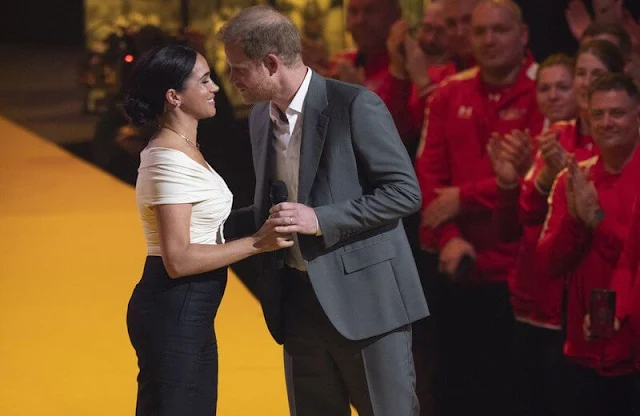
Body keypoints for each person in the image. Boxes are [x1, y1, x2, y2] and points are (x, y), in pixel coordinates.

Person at [218, 6, 429, 416]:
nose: (232, 79)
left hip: (368, 304)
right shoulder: (260, 117)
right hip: (297, 304)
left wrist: (321, 219)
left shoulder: (355, 105)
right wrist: (206, 224)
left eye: (238, 68)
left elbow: (405, 193)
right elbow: (270, 209)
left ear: (271, 63)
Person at [124, 45, 293, 416]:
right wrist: (257, 242)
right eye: (203, 80)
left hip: (190, 309)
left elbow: (208, 226)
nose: (215, 87)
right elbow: (179, 259)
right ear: (174, 97)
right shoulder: (166, 158)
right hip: (173, 306)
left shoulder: (185, 148)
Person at [414, 1, 544, 414]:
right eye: (481, 31)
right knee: (454, 393)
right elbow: (428, 176)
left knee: (518, 395)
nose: (490, 40)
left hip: (525, 278)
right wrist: (449, 237)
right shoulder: (450, 94)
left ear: (523, 35)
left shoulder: (549, 90)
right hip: (460, 267)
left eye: (500, 31)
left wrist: (464, 197)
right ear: (468, 39)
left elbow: (541, 176)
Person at [488, 41, 625, 416]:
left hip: (609, 311)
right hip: (542, 303)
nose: (584, 84)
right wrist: (529, 179)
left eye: (595, 75)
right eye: (580, 74)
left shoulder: (621, 148)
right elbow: (525, 223)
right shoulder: (556, 138)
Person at [537, 72, 640, 416]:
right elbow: (550, 263)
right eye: (598, 114)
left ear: (637, 115)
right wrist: (576, 221)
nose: (607, 122)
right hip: (585, 350)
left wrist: (596, 217)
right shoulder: (574, 177)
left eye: (618, 113)